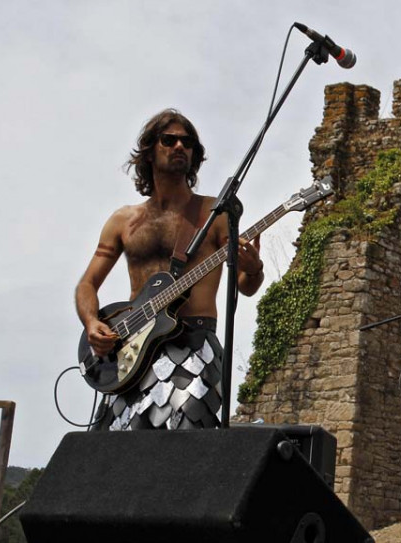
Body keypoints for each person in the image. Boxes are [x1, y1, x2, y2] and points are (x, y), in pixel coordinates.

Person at [75, 109, 265, 431]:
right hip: (131, 351)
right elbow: (87, 284)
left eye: (187, 142)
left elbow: (246, 286)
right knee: (114, 453)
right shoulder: (124, 221)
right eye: (169, 140)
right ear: (150, 151)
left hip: (193, 347)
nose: (180, 146)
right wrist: (92, 322)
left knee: (183, 450)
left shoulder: (213, 214)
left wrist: (254, 267)